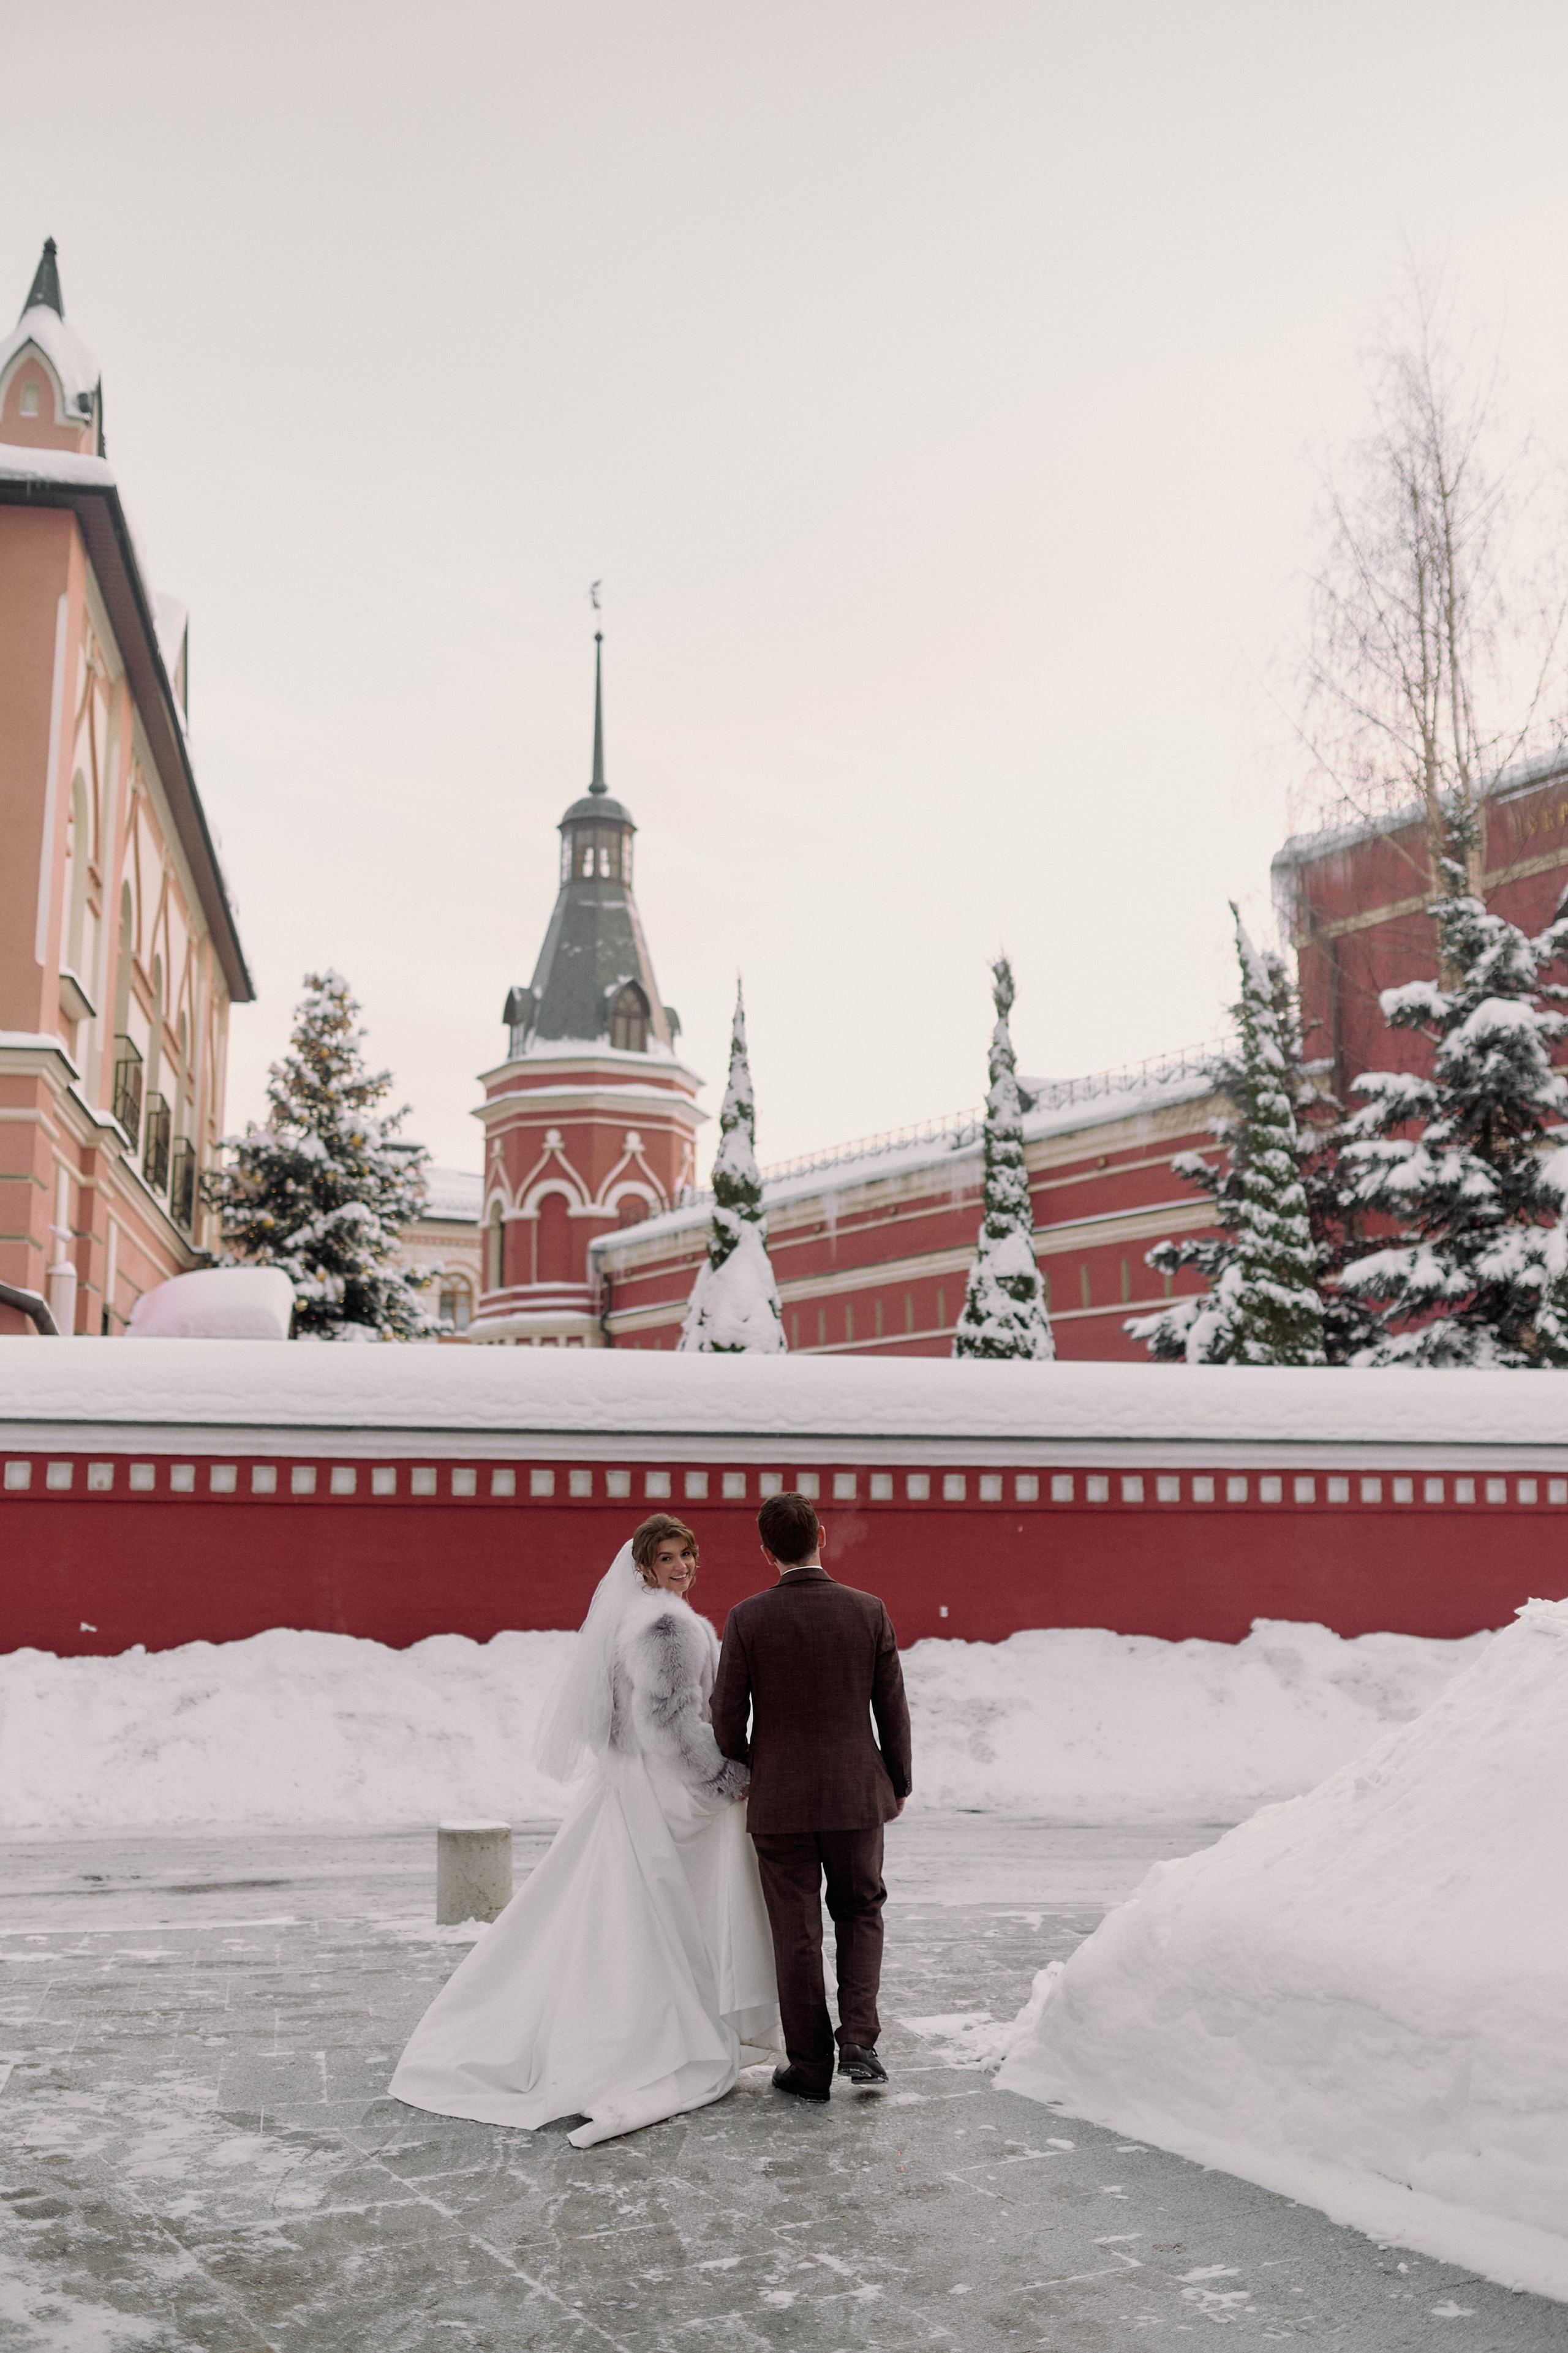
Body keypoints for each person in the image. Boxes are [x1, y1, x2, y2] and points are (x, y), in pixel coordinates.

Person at [390, 1514, 781, 2147]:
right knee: (661, 1903)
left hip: (629, 1782)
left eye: (687, 1554)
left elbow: (616, 1719)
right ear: (644, 1566)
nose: (681, 1566)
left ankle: (597, 2018)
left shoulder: (630, 1620)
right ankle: (655, 2031)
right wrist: (722, 1778)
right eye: (668, 1557)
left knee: (613, 1907)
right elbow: (669, 1722)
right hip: (664, 1789)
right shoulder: (666, 1624)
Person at [711, 1491, 913, 2103]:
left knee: (795, 1932)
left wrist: (755, 1762)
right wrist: (896, 1782)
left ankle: (809, 2067)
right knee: (859, 1910)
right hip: (857, 1795)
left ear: (766, 1549)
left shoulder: (747, 1618)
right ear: (821, 1535)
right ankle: (859, 2040)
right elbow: (891, 1710)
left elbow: (726, 1716)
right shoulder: (869, 1610)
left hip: (781, 1803)